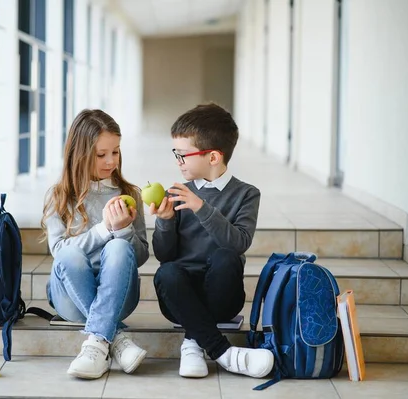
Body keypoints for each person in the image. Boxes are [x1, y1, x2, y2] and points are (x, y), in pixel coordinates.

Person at [150, 103, 274, 379]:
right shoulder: (177, 192)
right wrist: (165, 221)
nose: (177, 161)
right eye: (176, 154)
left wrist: (200, 207)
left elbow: (239, 243)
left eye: (182, 155)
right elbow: (163, 253)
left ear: (213, 157)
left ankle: (193, 341)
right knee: (166, 272)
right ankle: (224, 353)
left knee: (225, 256)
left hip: (223, 296)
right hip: (180, 297)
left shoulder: (246, 194)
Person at [41, 109, 149, 379]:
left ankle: (99, 340)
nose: (111, 161)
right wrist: (104, 229)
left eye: (116, 151)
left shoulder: (129, 194)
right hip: (70, 297)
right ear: (80, 153)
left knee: (119, 247)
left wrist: (123, 231)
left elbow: (142, 256)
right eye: (101, 154)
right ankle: (116, 337)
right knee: (69, 255)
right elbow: (60, 254)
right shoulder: (59, 197)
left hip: (119, 294)